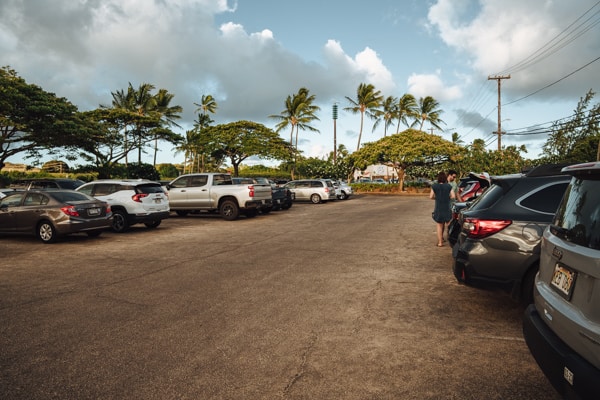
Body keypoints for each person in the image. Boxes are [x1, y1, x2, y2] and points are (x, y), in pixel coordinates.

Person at [430, 171, 455, 247]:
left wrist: (436, 198)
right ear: (445, 178)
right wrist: (447, 198)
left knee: (439, 225)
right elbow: (453, 196)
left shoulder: (434, 186)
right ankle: (451, 240)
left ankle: (440, 242)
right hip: (447, 207)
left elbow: (431, 196)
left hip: (438, 208)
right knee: (449, 224)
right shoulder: (448, 186)